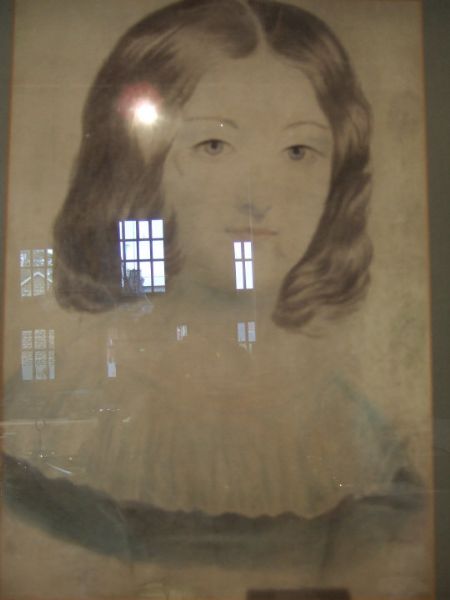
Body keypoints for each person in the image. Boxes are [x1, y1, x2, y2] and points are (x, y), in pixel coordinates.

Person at [4, 0, 429, 597]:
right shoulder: (58, 411)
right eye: (214, 146)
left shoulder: (354, 435)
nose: (260, 197)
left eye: (299, 152)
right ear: (139, 165)